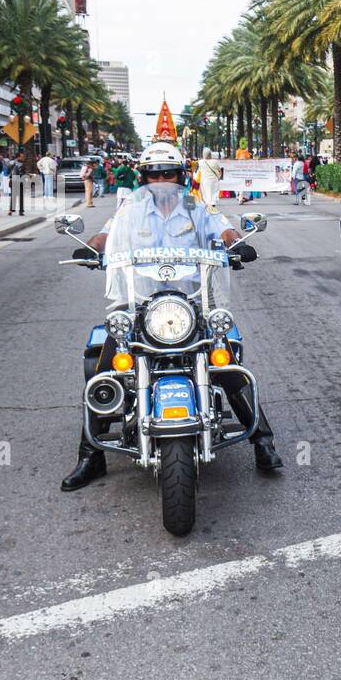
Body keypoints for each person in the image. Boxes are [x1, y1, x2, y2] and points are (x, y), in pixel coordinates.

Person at [59, 140, 283, 491]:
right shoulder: (128, 210)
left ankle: (263, 443)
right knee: (106, 372)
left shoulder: (196, 206)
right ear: (144, 178)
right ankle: (91, 456)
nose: (162, 180)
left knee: (225, 364)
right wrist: (92, 249)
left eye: (168, 174)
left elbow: (222, 228)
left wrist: (236, 244)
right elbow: (106, 234)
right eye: (154, 175)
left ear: (181, 176)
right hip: (139, 303)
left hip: (190, 301)